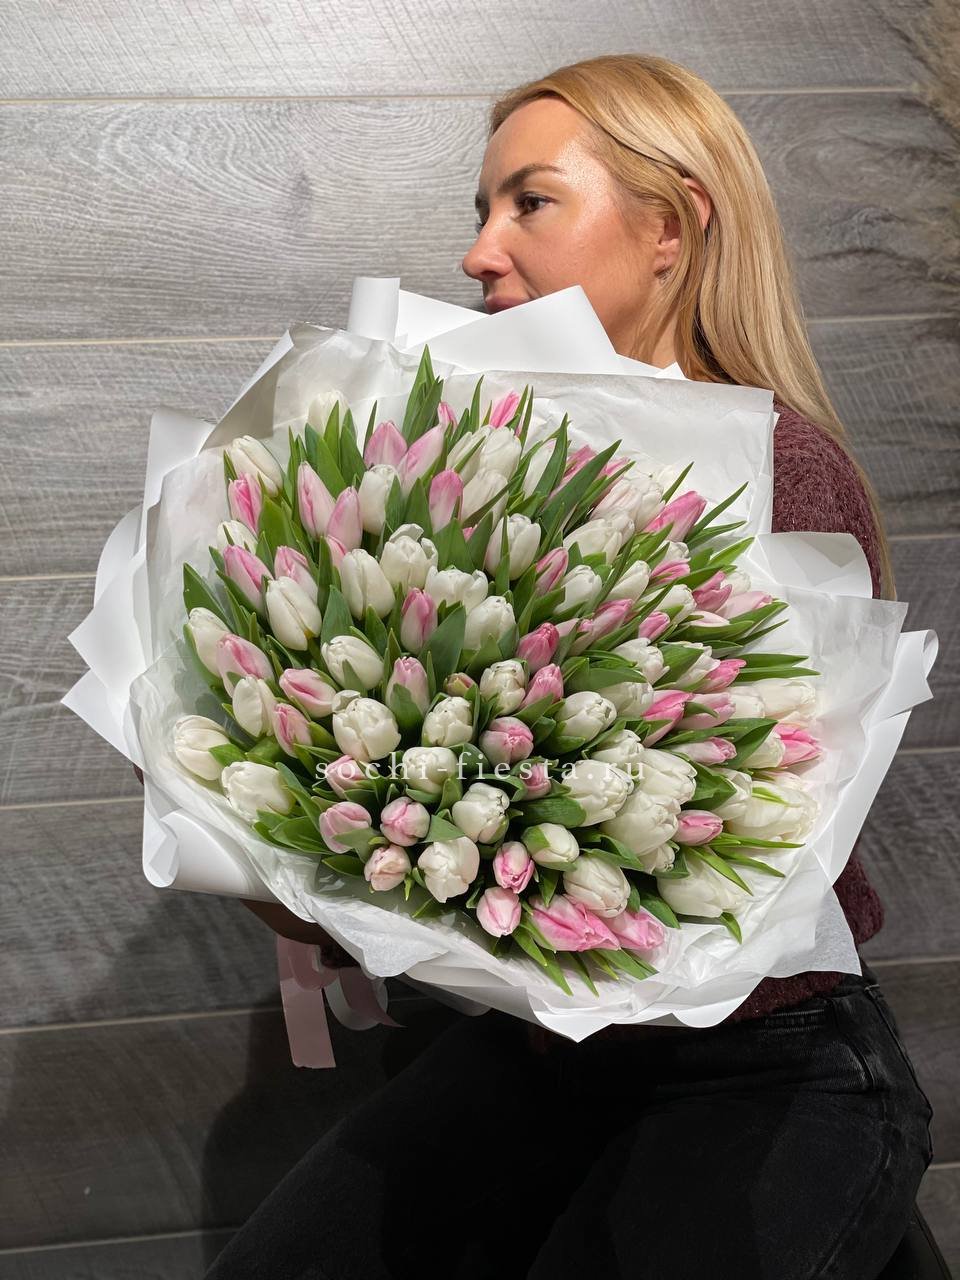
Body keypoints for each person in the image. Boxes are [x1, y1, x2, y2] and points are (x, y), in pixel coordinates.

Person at [201, 54, 934, 1278]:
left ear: (671, 227)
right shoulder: (485, 458)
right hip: (545, 1056)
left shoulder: (776, 474)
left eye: (529, 202)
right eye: (482, 210)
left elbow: (733, 844)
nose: (480, 252)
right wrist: (295, 834)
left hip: (763, 1067)